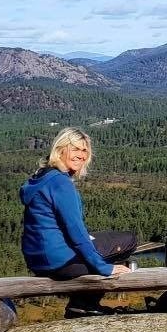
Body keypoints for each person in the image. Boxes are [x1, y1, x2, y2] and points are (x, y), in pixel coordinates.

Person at [20, 127, 138, 317]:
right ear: (60, 150)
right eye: (75, 149)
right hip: (61, 263)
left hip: (38, 261)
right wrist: (103, 267)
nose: (81, 156)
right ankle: (83, 303)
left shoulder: (41, 177)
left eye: (84, 151)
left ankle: (81, 302)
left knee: (105, 240)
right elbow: (75, 231)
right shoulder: (61, 183)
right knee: (128, 240)